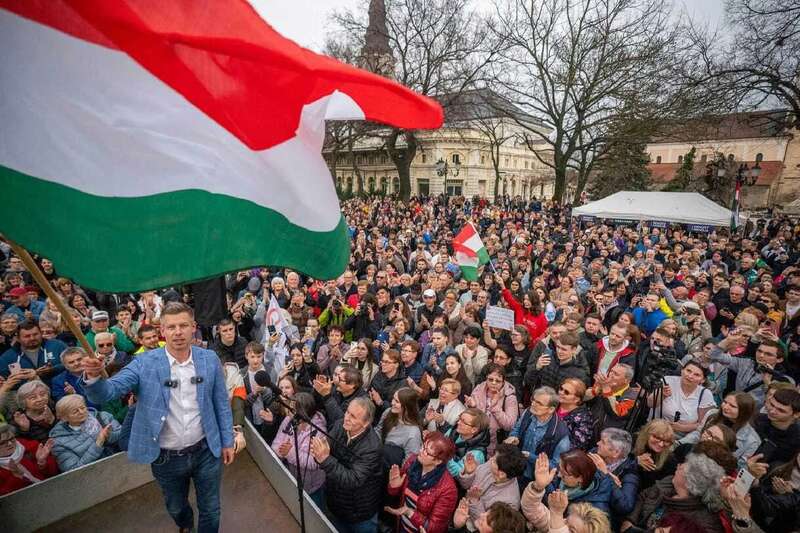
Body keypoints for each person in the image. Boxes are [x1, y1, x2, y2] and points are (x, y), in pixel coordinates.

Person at [82, 302, 234, 533]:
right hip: (165, 458)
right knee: (176, 507)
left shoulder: (209, 359)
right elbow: (109, 391)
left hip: (206, 451)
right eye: (171, 327)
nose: (178, 332)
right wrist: (93, 377)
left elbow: (221, 403)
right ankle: (185, 525)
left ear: (193, 327)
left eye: (183, 325)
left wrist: (227, 440)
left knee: (211, 509)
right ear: (162, 330)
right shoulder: (143, 363)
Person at [622, 441, 736, 533]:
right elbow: (644, 496)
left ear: (690, 481)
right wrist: (629, 520)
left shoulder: (702, 523)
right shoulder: (669, 482)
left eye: (682, 466)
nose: (678, 465)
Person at [310, 396, 383, 533]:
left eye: (353, 416)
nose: (346, 418)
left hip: (359, 514)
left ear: (366, 423)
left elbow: (353, 479)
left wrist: (325, 459)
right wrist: (318, 452)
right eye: (347, 412)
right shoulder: (340, 425)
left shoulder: (372, 447)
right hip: (336, 504)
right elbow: (326, 452)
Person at [384, 431, 459, 533]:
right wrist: (394, 486)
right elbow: (395, 493)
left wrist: (410, 512)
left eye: (427, 452)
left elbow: (436, 528)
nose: (420, 451)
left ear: (438, 461)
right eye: (423, 446)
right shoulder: (412, 461)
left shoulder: (448, 489)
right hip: (401, 525)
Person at [271, 391, 327, 507]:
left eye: (292, 409)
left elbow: (314, 462)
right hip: (293, 478)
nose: (288, 411)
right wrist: (281, 451)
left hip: (312, 487)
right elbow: (277, 443)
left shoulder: (319, 432)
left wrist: (290, 453)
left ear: (303, 413)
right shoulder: (288, 420)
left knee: (313, 515)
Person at [505, 386, 570, 486]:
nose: (533, 404)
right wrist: (514, 437)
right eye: (533, 400)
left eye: (539, 403)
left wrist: (531, 457)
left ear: (551, 409)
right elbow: (516, 429)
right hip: (517, 469)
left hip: (536, 480)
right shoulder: (527, 412)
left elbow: (556, 466)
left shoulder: (561, 434)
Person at [679, 392, 761, 467]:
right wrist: (679, 443)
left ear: (744, 411)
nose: (725, 407)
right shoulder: (712, 414)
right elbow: (698, 433)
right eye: (725, 402)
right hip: (692, 457)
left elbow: (740, 467)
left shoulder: (752, 441)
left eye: (732, 406)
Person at [457, 443, 527, 531]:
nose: (490, 459)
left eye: (494, 460)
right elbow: (466, 486)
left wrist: (474, 500)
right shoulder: (490, 467)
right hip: (461, 510)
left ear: (501, 474)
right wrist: (469, 473)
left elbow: (484, 525)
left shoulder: (510, 503)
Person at [49, 394, 121, 472]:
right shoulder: (58, 442)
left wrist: (109, 436)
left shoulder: (103, 416)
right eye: (75, 411)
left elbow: (125, 436)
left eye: (83, 407)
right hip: (94, 475)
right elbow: (72, 470)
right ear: (64, 418)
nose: (81, 412)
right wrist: (98, 444)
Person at [648, 360, 716, 437]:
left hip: (683, 436)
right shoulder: (667, 381)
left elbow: (703, 423)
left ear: (703, 380)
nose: (690, 376)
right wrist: (662, 394)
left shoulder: (705, 394)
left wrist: (683, 428)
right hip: (656, 429)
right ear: (682, 370)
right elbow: (650, 404)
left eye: (696, 375)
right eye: (688, 371)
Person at [465, 363, 518, 455]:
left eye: (497, 381)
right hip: (475, 439)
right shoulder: (478, 389)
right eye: (490, 379)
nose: (493, 383)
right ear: (486, 378)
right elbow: (470, 415)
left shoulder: (510, 397)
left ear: (503, 381)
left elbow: (510, 425)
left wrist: (495, 408)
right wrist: (472, 406)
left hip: (495, 444)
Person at [589, 428, 639, 521]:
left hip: (600, 518)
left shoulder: (629, 472)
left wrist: (606, 475)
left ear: (616, 452)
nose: (598, 443)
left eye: (603, 442)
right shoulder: (595, 452)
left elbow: (625, 506)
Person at [0, 422, 58, 495]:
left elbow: (54, 475)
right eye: (2, 443)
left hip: (51, 490)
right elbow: (5, 500)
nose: (10, 444)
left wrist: (42, 463)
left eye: (12, 439)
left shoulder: (30, 447)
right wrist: (16, 477)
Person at [0, 320, 66, 380]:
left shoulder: (57, 345)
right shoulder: (8, 357)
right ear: (18, 338)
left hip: (59, 389)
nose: (32, 338)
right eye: (27, 336)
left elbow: (72, 363)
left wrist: (53, 370)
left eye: (35, 334)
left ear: (41, 333)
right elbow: (4, 380)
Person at [376, 387, 423, 464]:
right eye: (393, 399)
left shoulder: (413, 433)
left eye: (397, 401)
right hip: (376, 456)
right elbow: (378, 432)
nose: (392, 403)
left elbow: (409, 462)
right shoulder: (388, 412)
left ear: (407, 406)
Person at [633, 419, 677, 490]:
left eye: (667, 441)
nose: (661, 444)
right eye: (657, 438)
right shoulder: (632, 441)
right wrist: (636, 461)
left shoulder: (670, 460)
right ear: (647, 433)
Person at [555, 378, 595, 451]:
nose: (561, 392)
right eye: (561, 389)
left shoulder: (584, 418)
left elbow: (578, 445)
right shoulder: (553, 404)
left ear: (576, 399)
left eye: (566, 392)